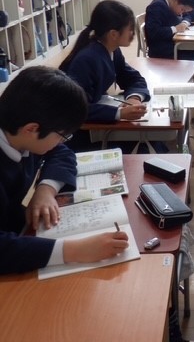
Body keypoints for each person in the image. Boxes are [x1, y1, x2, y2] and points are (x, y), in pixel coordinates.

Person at [0, 66, 130, 275]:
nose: (62, 141)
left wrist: (45, 190)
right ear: (32, 129)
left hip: (21, 233)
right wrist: (75, 250)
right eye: (61, 135)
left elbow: (61, 153)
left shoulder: (19, 133)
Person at [59, 0, 150, 149]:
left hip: (95, 123)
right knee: (144, 144)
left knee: (149, 141)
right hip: (77, 134)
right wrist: (120, 113)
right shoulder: (87, 59)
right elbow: (78, 109)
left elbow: (133, 78)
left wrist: (134, 98)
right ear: (113, 34)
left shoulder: (112, 50)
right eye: (130, 30)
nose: (133, 34)